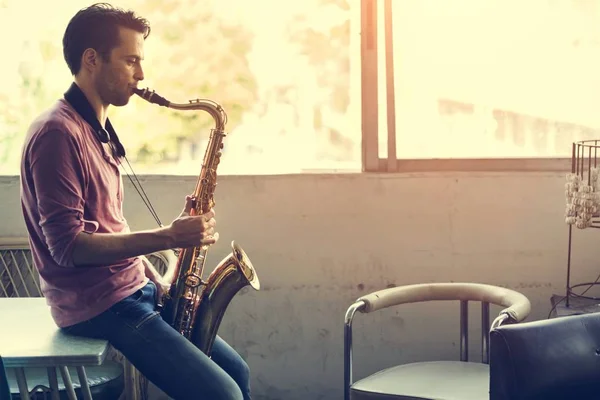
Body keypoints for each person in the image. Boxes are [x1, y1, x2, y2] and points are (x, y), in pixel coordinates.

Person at [19, 3, 251, 399]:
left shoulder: (97, 130)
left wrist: (153, 276)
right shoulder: (58, 133)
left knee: (238, 374)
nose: (141, 75)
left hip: (133, 292)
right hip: (99, 307)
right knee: (223, 395)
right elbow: (67, 247)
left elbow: (107, 225)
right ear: (91, 60)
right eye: (130, 61)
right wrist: (168, 237)